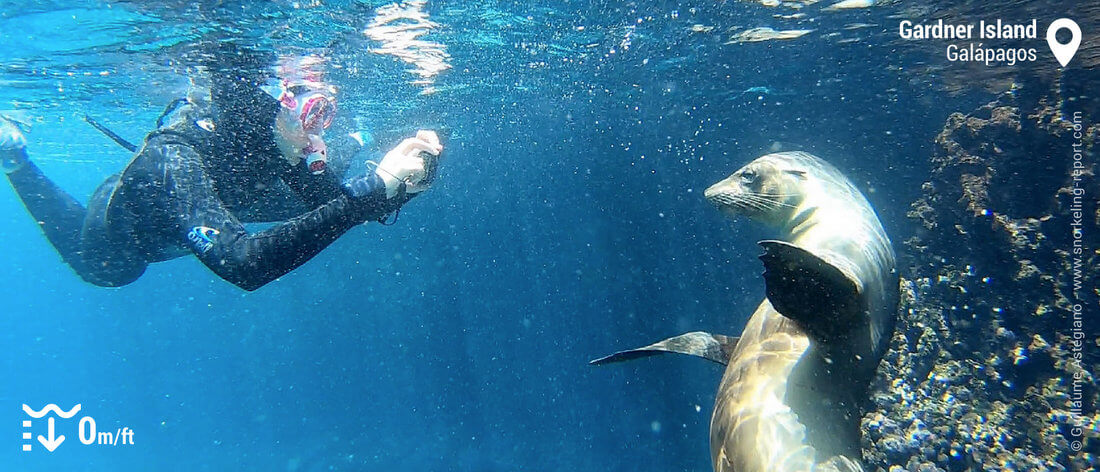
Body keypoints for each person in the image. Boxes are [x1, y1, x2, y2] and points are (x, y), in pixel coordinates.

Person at [0, 51, 443, 292]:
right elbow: (243, 264)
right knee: (104, 271)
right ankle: (15, 158)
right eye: (313, 114)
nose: (316, 136)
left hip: (211, 204)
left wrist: (399, 185)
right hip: (113, 242)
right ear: (272, 104)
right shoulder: (173, 155)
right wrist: (376, 185)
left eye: (325, 115)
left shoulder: (267, 138)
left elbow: (337, 202)